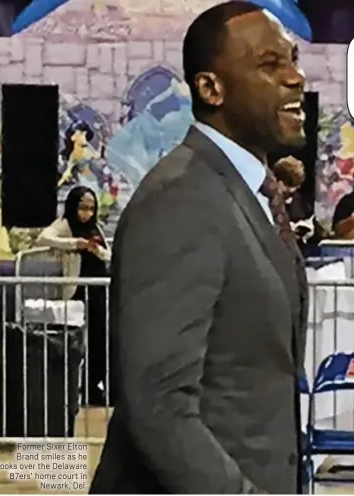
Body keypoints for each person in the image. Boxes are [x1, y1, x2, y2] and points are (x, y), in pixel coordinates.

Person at [90, 2, 309, 493]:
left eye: (293, 59)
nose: (295, 78)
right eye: (270, 65)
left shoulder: (245, 192)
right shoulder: (180, 200)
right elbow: (160, 408)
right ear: (211, 89)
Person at [36, 186, 112, 406]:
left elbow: (107, 253)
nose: (86, 214)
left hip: (98, 292)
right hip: (77, 291)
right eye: (82, 208)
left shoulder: (94, 227)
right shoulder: (65, 225)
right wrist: (75, 244)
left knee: (100, 341)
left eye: (90, 209)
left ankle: (93, 387)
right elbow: (44, 238)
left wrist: (96, 250)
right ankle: (69, 390)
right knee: (74, 342)